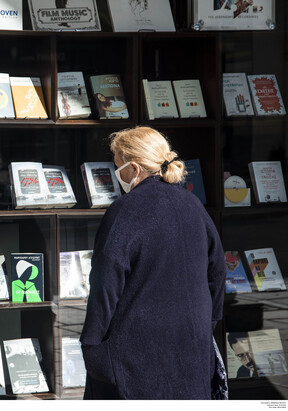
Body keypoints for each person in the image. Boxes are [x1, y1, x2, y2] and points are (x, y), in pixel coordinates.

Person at [80, 126, 226, 399]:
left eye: (118, 167)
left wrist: (92, 345)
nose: (117, 175)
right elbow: (217, 270)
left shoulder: (124, 210)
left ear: (133, 168)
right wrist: (208, 321)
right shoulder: (193, 204)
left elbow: (105, 283)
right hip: (192, 351)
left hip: (136, 358)